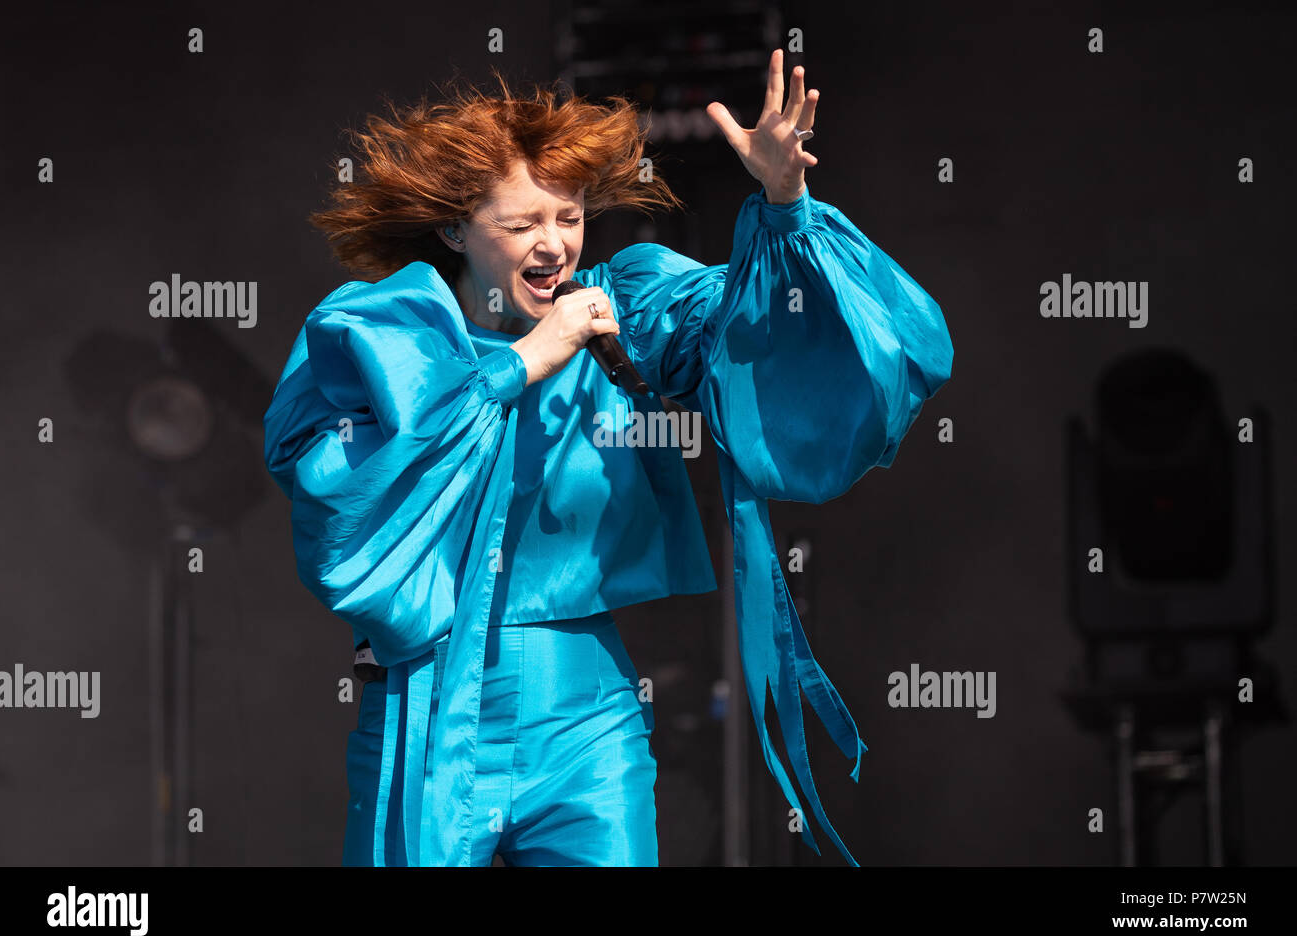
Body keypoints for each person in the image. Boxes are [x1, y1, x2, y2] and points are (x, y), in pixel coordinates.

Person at [262, 50, 954, 867]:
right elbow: (346, 511)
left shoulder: (617, 304)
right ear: (454, 228)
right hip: (428, 705)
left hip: (584, 711)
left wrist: (784, 202)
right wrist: (523, 360)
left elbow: (758, 336)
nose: (554, 244)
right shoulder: (382, 333)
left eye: (570, 217)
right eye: (522, 224)